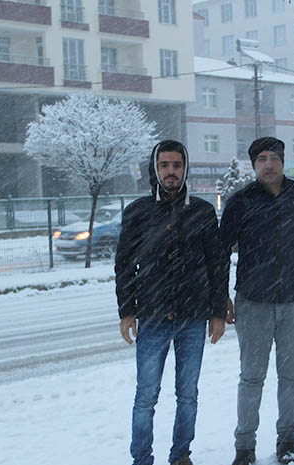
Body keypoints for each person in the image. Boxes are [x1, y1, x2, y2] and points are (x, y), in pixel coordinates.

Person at [115, 139, 228, 465]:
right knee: (146, 396)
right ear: (155, 169)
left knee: (188, 395)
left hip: (193, 317)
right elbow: (124, 265)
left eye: (177, 165)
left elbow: (217, 264)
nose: (171, 172)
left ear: (185, 168)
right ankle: (142, 459)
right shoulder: (138, 212)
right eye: (164, 165)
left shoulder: (202, 212)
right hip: (152, 317)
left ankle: (181, 455)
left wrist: (217, 312)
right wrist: (127, 311)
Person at [219, 137, 294, 465]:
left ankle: (287, 441)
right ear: (253, 165)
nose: (269, 164)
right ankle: (244, 447)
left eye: (274, 158)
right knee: (251, 377)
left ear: (283, 161)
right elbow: (220, 252)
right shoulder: (240, 202)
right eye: (262, 158)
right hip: (253, 301)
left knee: (291, 375)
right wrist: (221, 296)